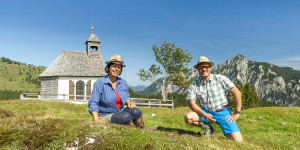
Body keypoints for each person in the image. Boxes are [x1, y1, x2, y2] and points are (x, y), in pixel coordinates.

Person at [184, 56, 243, 142]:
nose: (204, 69)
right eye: (201, 67)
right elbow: (192, 104)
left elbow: (237, 93)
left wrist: (236, 112)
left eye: (206, 67)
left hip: (223, 113)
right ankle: (208, 128)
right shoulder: (194, 84)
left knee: (238, 141)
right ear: (198, 69)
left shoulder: (220, 79)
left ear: (210, 68)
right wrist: (204, 115)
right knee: (188, 117)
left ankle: (227, 131)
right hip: (206, 111)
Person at [88, 54, 144, 128]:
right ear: (108, 67)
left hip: (119, 112)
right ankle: (126, 126)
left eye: (119, 67)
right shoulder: (100, 82)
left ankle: (141, 128)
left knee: (136, 111)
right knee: (125, 117)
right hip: (105, 115)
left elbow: (125, 96)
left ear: (121, 70)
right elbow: (93, 102)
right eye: (114, 66)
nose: (116, 69)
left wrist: (129, 102)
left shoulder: (122, 82)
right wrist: (96, 119)